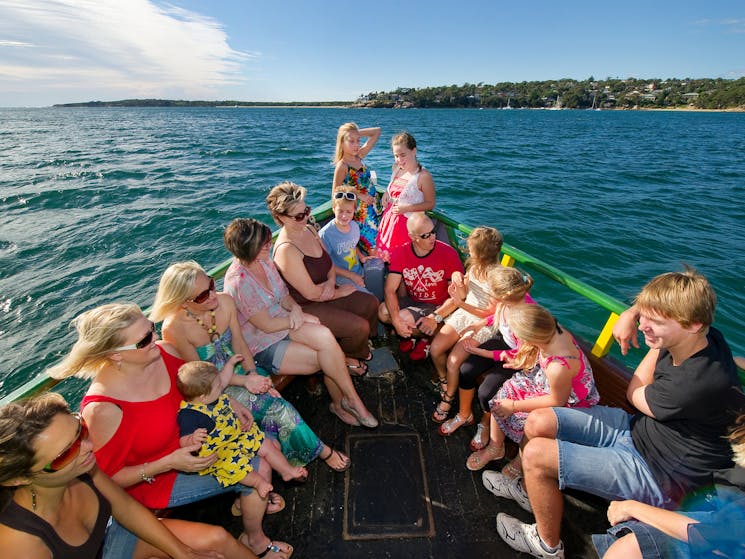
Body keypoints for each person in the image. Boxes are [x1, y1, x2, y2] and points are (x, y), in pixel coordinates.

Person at [494, 269, 743, 559]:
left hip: (658, 472)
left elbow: (634, 391)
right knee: (540, 420)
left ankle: (547, 544)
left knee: (537, 454)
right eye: (645, 317)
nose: (643, 326)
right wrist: (633, 313)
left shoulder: (694, 384)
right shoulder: (709, 336)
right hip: (639, 431)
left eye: (656, 321)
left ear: (693, 325)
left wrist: (653, 342)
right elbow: (674, 295)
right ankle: (531, 492)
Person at [47, 303, 293, 559]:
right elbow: (107, 479)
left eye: (151, 329)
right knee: (258, 467)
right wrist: (168, 463)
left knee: (268, 445)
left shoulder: (164, 353)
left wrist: (233, 403)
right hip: (157, 479)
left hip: (200, 447)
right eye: (143, 340)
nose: (155, 339)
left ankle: (245, 504)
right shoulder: (104, 410)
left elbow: (199, 390)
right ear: (114, 354)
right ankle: (256, 540)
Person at [0, 392, 259, 559]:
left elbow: (124, 507)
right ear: (17, 479)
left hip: (115, 534)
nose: (88, 447)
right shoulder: (20, 544)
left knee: (218, 540)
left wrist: (184, 554)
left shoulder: (82, 466)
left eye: (80, 431)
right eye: (64, 454)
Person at [152, 260, 350, 472]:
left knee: (272, 398)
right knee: (280, 409)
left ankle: (282, 451)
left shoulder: (225, 302)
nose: (212, 294)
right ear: (183, 303)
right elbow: (201, 376)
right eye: (202, 295)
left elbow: (239, 342)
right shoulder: (174, 329)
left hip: (243, 367)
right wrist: (246, 380)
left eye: (211, 285)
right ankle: (322, 451)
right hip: (215, 388)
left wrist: (253, 372)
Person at [222, 217, 378, 429]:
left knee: (325, 337)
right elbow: (266, 325)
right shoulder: (239, 282)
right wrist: (298, 318)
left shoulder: (264, 261)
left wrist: (296, 309)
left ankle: (348, 401)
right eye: (264, 243)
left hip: (285, 319)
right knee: (329, 356)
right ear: (248, 249)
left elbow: (284, 294)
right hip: (264, 341)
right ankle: (344, 404)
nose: (270, 245)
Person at [593, 412, 745, 559]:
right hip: (720, 512)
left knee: (631, 547)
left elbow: (713, 538)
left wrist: (631, 508)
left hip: (720, 532)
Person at [466, 304, 599, 472]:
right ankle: (495, 447)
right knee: (501, 395)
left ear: (530, 340)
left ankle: (519, 465)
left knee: (529, 422)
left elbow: (558, 400)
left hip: (564, 397)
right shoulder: (553, 330)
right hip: (545, 379)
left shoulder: (558, 366)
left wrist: (514, 406)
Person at [267, 181, 379, 375]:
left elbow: (328, 262)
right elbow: (311, 293)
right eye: (299, 216)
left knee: (371, 303)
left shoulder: (309, 229)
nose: (305, 218)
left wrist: (330, 282)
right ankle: (347, 358)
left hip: (327, 290)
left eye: (307, 211)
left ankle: (360, 344)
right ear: (280, 218)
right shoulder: (286, 250)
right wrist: (340, 291)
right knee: (359, 327)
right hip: (309, 304)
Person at [176, 360, 308, 496]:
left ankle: (287, 471)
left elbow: (225, 389)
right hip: (220, 453)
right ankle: (258, 483)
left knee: (266, 444)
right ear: (203, 397)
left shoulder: (211, 395)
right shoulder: (188, 415)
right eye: (218, 386)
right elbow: (183, 441)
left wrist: (230, 364)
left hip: (237, 435)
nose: (221, 386)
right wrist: (193, 439)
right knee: (236, 467)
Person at [443, 267, 535, 448]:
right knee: (465, 370)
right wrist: (480, 324)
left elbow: (520, 353)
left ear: (503, 295)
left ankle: (484, 424)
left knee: (486, 392)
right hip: (505, 342)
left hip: (518, 356)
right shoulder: (508, 301)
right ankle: (464, 414)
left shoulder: (526, 316)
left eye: (490, 292)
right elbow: (498, 315)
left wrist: (481, 353)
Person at [428, 227, 503, 427]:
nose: (468, 252)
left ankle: (449, 399)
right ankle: (446, 382)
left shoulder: (497, 277)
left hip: (482, 323)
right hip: (465, 312)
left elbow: (490, 313)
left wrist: (460, 304)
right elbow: (464, 294)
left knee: (454, 361)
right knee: (435, 349)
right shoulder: (473, 267)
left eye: (471, 249)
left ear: (481, 253)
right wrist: (458, 283)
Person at [378, 211, 464, 360]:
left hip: (439, 305)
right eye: (425, 235)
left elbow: (457, 297)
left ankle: (427, 337)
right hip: (415, 301)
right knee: (383, 311)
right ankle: (418, 335)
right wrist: (396, 322)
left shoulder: (448, 254)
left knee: (404, 318)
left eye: (433, 232)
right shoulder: (400, 253)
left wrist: (435, 317)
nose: (432, 238)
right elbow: (390, 289)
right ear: (413, 237)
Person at [375, 131, 436, 263]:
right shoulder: (396, 168)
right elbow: (393, 187)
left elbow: (430, 204)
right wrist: (387, 193)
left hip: (406, 228)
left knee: (402, 263)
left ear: (414, 151)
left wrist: (407, 207)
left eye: (403, 155)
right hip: (388, 223)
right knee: (386, 260)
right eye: (396, 156)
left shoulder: (423, 176)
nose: (399, 160)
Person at [319, 187, 383, 300]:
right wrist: (352, 276)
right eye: (340, 211)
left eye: (349, 212)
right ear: (334, 209)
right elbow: (326, 265)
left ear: (354, 210)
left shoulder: (354, 226)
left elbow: (353, 245)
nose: (344, 216)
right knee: (370, 299)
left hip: (357, 270)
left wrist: (362, 257)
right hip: (340, 277)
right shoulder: (325, 234)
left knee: (379, 274)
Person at [331, 122, 382, 255]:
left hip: (375, 207)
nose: (356, 144)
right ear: (342, 143)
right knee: (374, 247)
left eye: (358, 141)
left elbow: (377, 131)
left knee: (383, 241)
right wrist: (359, 195)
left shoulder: (360, 156)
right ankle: (375, 273)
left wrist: (355, 132)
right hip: (362, 214)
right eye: (351, 141)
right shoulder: (342, 166)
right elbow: (335, 191)